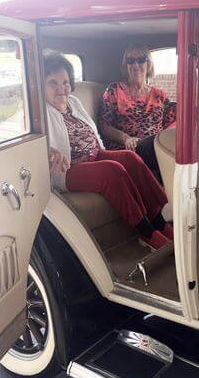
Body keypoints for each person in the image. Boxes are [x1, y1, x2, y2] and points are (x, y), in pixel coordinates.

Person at [43, 52, 171, 250]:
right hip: (68, 169)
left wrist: (101, 151)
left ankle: (160, 221)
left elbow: (92, 130)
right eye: (53, 83)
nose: (61, 89)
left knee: (130, 158)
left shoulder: (73, 102)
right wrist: (48, 151)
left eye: (65, 82)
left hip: (94, 154)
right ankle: (146, 232)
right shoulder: (38, 112)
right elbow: (18, 136)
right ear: (41, 86)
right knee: (112, 170)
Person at [98, 44, 177, 183]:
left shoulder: (160, 95)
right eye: (130, 60)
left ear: (149, 64)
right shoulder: (114, 91)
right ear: (125, 65)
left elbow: (171, 124)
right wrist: (126, 138)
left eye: (141, 59)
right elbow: (104, 126)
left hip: (154, 149)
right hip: (128, 150)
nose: (135, 64)